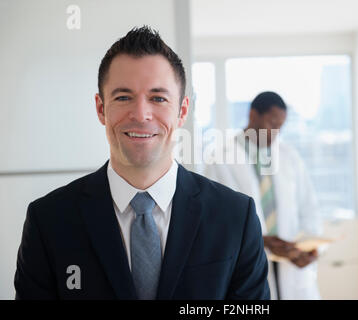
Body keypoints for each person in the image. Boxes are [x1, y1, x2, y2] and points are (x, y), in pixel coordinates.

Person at [14, 26, 270, 300]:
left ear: (182, 111)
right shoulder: (49, 220)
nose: (141, 114)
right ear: (101, 108)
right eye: (123, 97)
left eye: (158, 98)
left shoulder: (235, 217)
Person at [203, 91, 322, 300]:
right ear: (252, 115)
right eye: (271, 123)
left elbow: (308, 206)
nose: (275, 132)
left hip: (291, 265)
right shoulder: (220, 157)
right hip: (247, 261)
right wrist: (260, 240)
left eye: (280, 127)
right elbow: (214, 219)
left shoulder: (288, 156)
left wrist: (310, 248)